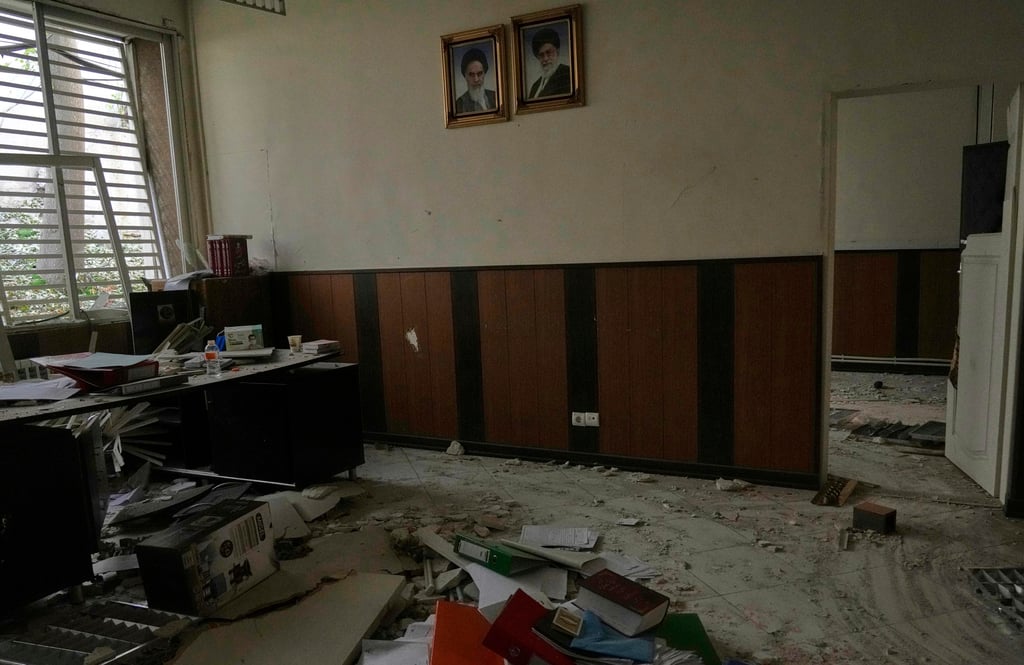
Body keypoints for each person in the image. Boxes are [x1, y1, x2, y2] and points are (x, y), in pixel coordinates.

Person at [527, 27, 571, 99]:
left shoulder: (567, 74)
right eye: (541, 55)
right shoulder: (535, 86)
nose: (545, 58)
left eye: (549, 52)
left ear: (557, 51)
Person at [455, 47, 496, 113]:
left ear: (484, 73)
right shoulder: (459, 104)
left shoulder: (495, 97)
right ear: (465, 76)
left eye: (479, 74)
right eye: (471, 74)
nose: (476, 79)